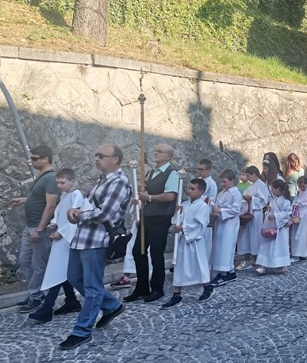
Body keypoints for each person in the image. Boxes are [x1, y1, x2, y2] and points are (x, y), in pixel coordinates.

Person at [61, 144, 132, 350]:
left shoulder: (119, 182)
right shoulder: (103, 180)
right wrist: (75, 211)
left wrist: (78, 215)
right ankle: (111, 305)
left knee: (92, 286)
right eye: (96, 154)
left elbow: (105, 214)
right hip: (82, 237)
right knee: (74, 277)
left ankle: (82, 331)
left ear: (115, 159)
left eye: (101, 156)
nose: (96, 158)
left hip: (96, 240)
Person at [125, 143, 179, 303]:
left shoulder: (172, 173)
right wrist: (142, 191)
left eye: (159, 152)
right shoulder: (150, 172)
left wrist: (148, 197)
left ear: (168, 156)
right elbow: (144, 193)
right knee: (138, 252)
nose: (155, 153)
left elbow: (170, 196)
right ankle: (142, 287)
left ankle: (157, 288)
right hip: (146, 216)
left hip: (160, 218)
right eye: (155, 151)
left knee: (156, 254)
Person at [28, 168, 83, 323]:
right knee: (61, 271)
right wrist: (52, 226)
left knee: (56, 271)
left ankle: (47, 309)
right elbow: (59, 215)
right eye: (57, 182)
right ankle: (71, 301)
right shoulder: (65, 195)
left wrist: (62, 232)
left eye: (62, 182)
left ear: (72, 181)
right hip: (60, 238)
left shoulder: (76, 195)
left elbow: (76, 217)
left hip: (67, 239)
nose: (59, 185)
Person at [9, 144, 59, 313]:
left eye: (35, 158)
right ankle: (36, 293)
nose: (31, 161)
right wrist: (24, 200)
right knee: (24, 261)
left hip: (39, 228)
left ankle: (37, 297)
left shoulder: (51, 178)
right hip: (31, 227)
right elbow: (39, 198)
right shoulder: (42, 177)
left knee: (38, 264)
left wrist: (40, 229)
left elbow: (51, 205)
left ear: (46, 159)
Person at [161, 179, 213, 309]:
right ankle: (176, 294)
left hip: (195, 241)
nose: (189, 191)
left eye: (192, 189)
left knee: (198, 265)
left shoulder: (203, 206)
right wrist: (179, 212)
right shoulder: (184, 204)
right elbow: (176, 221)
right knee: (179, 266)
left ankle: (207, 287)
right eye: (188, 188)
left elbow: (201, 224)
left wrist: (184, 228)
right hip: (183, 241)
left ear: (201, 191)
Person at [209, 169, 242, 287]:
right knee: (219, 247)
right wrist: (214, 211)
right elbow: (217, 205)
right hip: (220, 223)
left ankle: (226, 273)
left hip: (230, 224)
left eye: (224, 182)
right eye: (221, 182)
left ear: (232, 181)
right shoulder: (221, 193)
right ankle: (226, 272)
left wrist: (221, 211)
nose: (222, 184)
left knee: (226, 247)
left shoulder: (235, 193)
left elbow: (236, 209)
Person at [255, 179, 293, 274]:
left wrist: (276, 216)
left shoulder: (286, 201)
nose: (271, 190)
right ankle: (264, 265)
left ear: (278, 189)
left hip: (280, 228)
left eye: (273, 188)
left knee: (279, 247)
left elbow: (287, 213)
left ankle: (281, 265)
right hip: (271, 226)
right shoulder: (273, 201)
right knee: (267, 245)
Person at [237, 166, 267, 271]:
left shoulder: (261, 185)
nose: (248, 178)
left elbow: (263, 200)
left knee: (254, 236)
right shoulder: (253, 185)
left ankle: (255, 257)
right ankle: (246, 257)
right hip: (247, 211)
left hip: (256, 214)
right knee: (245, 236)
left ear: (254, 174)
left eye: (249, 176)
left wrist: (252, 199)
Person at [290, 176, 307, 261]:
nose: (302, 188)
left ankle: (300, 253)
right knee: (295, 233)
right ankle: (298, 252)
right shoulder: (298, 193)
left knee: (302, 234)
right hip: (298, 214)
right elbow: (294, 201)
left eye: (303, 186)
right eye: (300, 186)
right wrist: (294, 206)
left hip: (306, 214)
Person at [196, 158, 218, 268]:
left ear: (208, 170)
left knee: (205, 243)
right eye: (198, 169)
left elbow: (211, 200)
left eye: (201, 169)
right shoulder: (198, 181)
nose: (199, 171)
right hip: (197, 213)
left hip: (205, 214)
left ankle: (205, 266)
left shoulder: (212, 183)